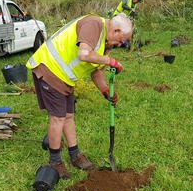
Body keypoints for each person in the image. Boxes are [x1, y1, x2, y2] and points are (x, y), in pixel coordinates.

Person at [26, 13, 133, 179]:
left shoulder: (105, 43)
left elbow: (95, 71)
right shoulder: (94, 25)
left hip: (65, 77)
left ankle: (75, 155)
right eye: (122, 40)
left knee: (69, 116)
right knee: (58, 118)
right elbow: (84, 54)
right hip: (50, 68)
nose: (121, 44)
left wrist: (105, 90)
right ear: (116, 30)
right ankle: (55, 162)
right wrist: (109, 61)